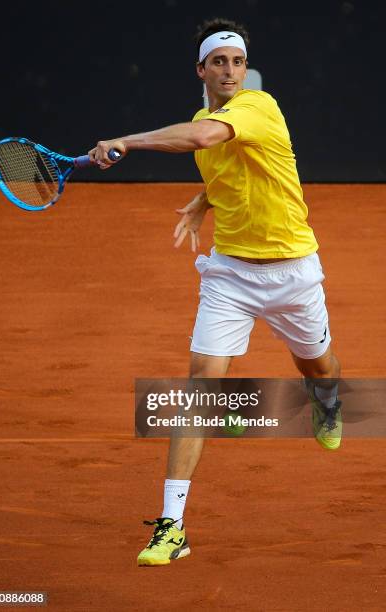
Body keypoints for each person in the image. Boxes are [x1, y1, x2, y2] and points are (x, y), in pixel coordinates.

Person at [89, 17, 342, 567]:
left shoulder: (258, 106)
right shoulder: (209, 117)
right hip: (229, 275)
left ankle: (327, 402)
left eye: (237, 61)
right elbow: (224, 157)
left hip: (294, 270)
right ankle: (173, 527)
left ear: (245, 70)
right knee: (201, 382)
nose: (230, 70)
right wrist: (206, 199)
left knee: (319, 370)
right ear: (201, 70)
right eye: (219, 62)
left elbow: (204, 139)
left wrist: (125, 143)